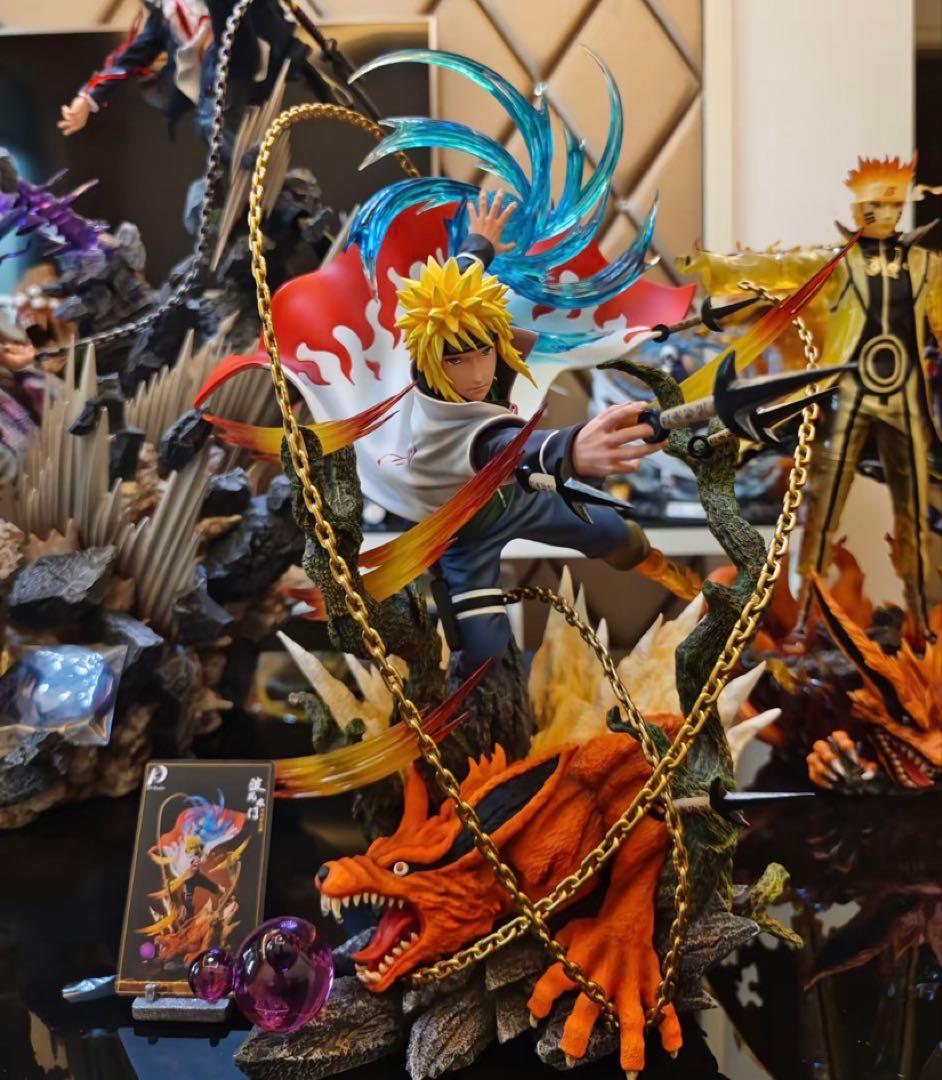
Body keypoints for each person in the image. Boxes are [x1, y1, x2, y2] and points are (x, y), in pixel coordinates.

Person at [398, 191, 665, 675]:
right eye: (457, 362)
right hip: (465, 529)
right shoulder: (448, 421)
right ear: (434, 361)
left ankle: (665, 568)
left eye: (484, 354)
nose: (477, 374)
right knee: (482, 653)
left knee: (620, 536)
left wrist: (479, 243)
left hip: (520, 497)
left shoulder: (456, 321)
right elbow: (504, 448)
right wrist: (571, 449)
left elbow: (458, 284)